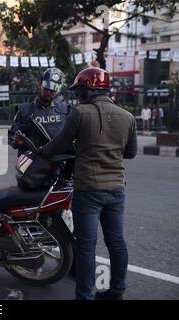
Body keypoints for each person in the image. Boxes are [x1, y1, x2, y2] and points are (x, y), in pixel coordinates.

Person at [39, 67, 137, 300]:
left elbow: (58, 146)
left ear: (89, 89)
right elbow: (130, 153)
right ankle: (117, 292)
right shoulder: (128, 117)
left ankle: (85, 296)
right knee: (116, 242)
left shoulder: (79, 113)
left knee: (86, 246)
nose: (77, 95)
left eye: (80, 90)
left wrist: (41, 152)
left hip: (88, 191)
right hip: (116, 189)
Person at [10, 67, 69, 154]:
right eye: (46, 88)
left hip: (59, 161)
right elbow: (11, 137)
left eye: (53, 90)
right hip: (33, 162)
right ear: (39, 84)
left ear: (58, 90)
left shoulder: (66, 110)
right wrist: (17, 141)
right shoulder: (24, 110)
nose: (48, 93)